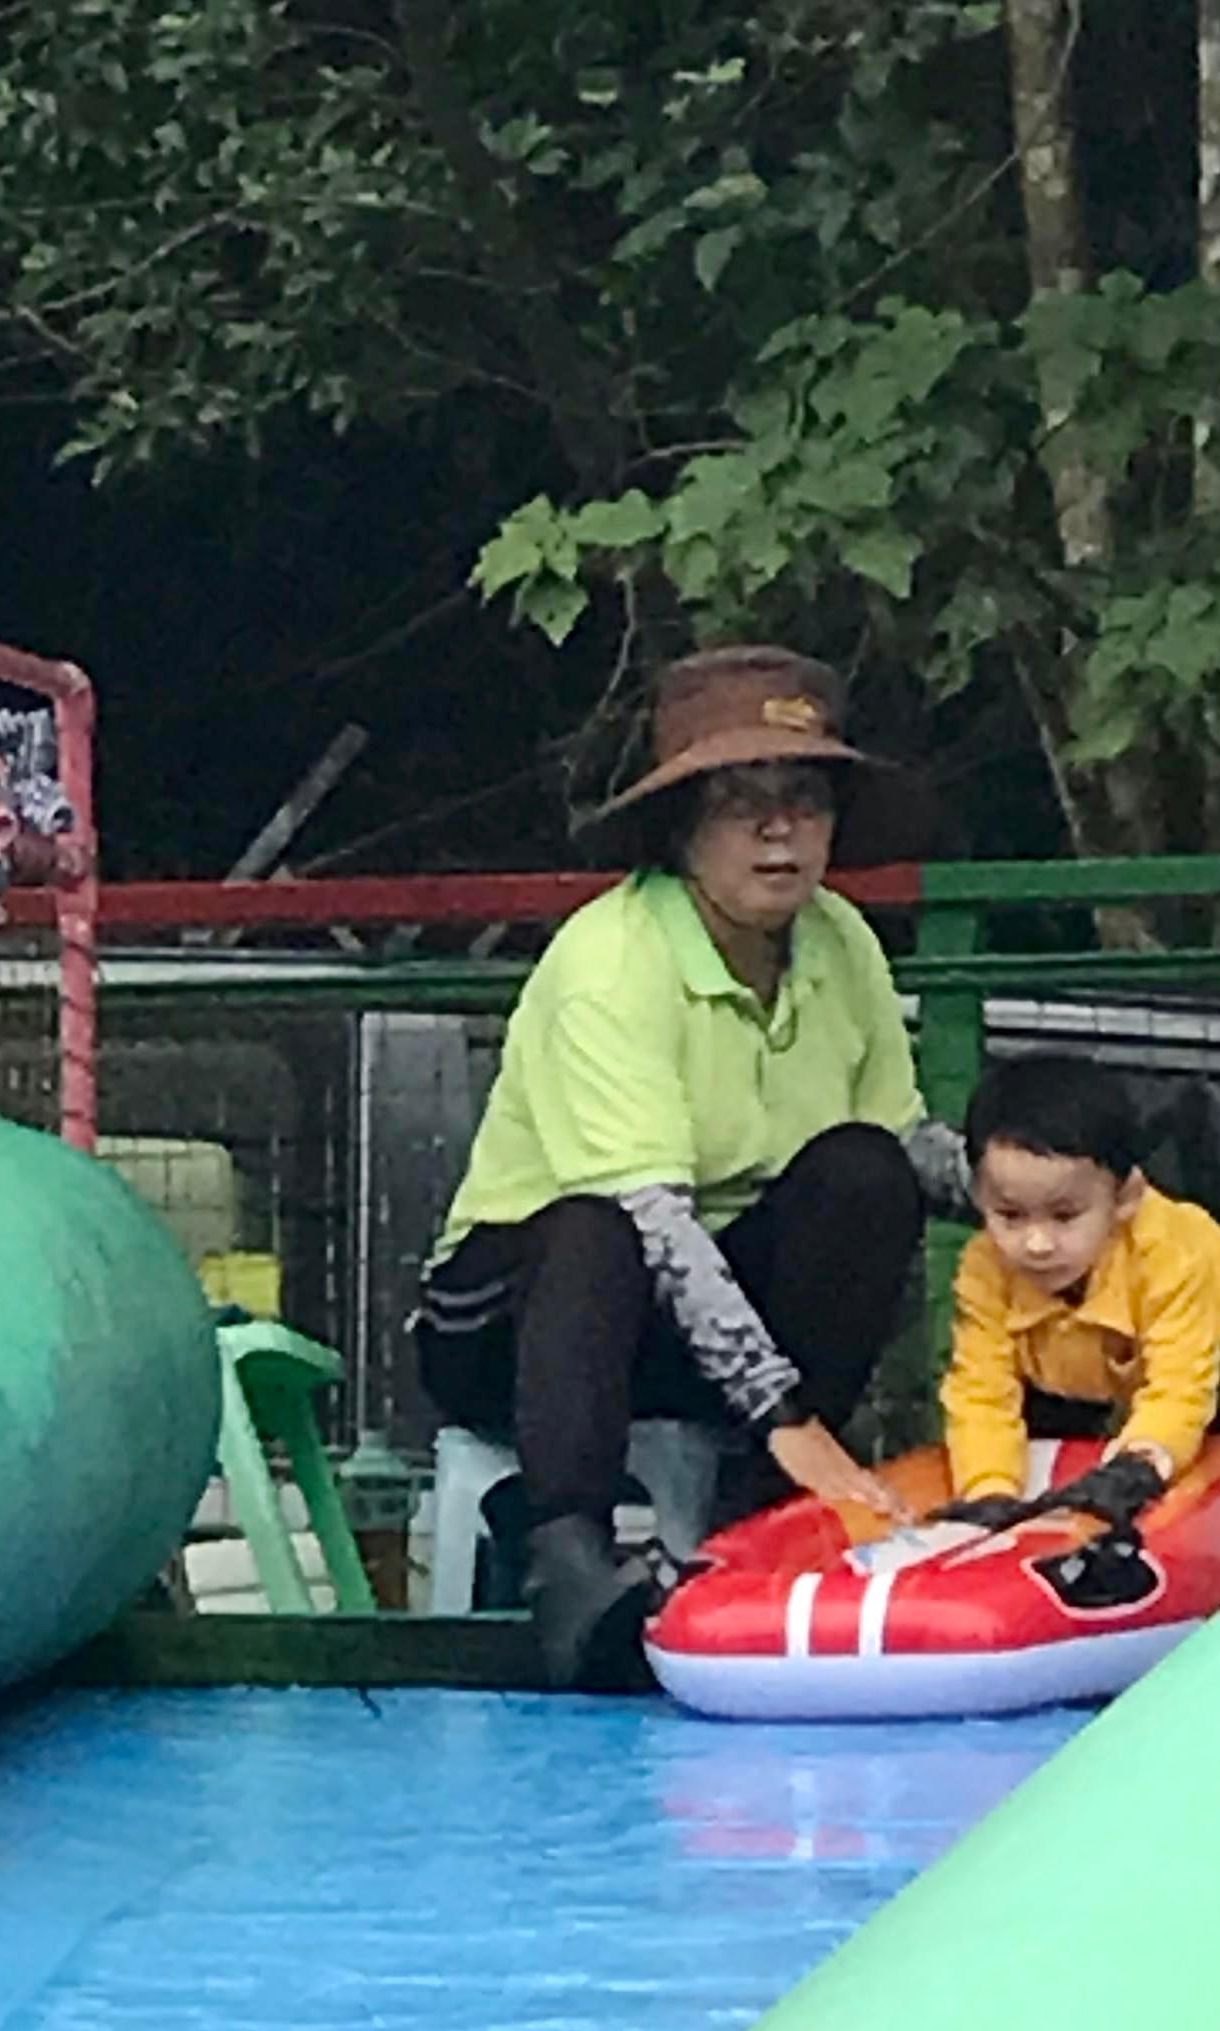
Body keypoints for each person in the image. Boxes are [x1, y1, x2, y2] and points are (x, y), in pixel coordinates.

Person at [414, 646, 966, 1692]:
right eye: (740, 801)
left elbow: (902, 1146)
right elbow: (654, 1224)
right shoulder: (612, 959)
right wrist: (791, 1420)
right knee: (601, 1227)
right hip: (518, 1325)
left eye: (806, 798)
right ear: (680, 827)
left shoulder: (842, 941)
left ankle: (758, 1517)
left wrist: (1072, 1201)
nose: (779, 829)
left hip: (698, 1330)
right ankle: (571, 1565)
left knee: (864, 1173)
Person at [938, 1056, 1220, 1534]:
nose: (1037, 1244)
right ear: (980, 1198)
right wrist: (989, 1492)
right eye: (1010, 1215)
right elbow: (980, 1392)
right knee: (1045, 1443)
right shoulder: (985, 1270)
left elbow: (1182, 1382)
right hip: (1078, 1364)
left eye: (1065, 1216)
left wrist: (1142, 1463)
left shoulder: (1165, 1254)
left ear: (1125, 1198)